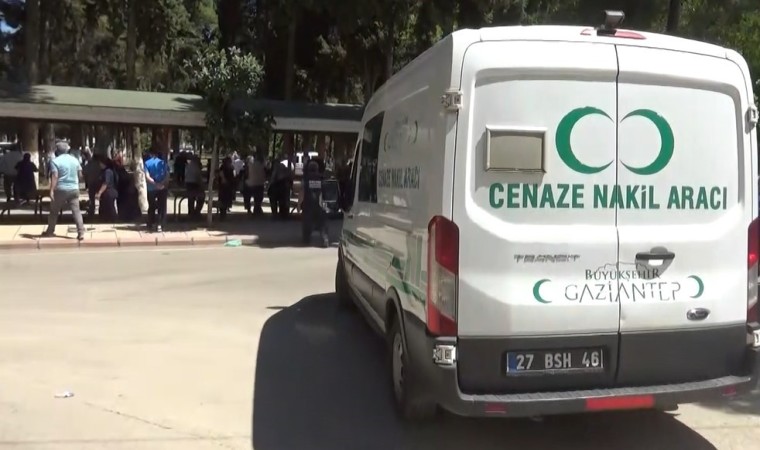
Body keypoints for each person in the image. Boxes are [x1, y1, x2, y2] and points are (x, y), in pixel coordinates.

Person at [41, 147, 85, 240]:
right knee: (76, 211)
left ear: (57, 151)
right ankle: (81, 232)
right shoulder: (75, 160)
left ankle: (50, 231)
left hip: (60, 189)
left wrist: (51, 190)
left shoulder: (55, 161)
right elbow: (80, 175)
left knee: (54, 211)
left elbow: (55, 176)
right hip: (74, 189)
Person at [299, 159, 329, 247]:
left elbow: (302, 192)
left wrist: (299, 204)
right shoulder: (322, 178)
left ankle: (306, 239)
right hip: (320, 205)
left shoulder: (305, 179)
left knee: (307, 223)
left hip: (308, 205)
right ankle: (324, 239)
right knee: (322, 223)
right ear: (317, 169)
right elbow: (326, 191)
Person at [144, 148, 169, 232]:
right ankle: (161, 225)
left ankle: (151, 224)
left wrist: (155, 184)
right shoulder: (163, 163)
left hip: (151, 188)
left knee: (151, 206)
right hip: (162, 188)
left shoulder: (147, 163)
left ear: (150, 154)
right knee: (162, 207)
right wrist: (161, 183)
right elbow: (167, 175)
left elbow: (147, 177)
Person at [96, 157, 119, 222]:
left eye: (100, 163)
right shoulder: (105, 171)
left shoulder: (107, 172)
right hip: (108, 192)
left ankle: (113, 220)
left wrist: (99, 193)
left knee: (110, 207)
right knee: (105, 207)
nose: (99, 165)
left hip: (109, 192)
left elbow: (105, 183)